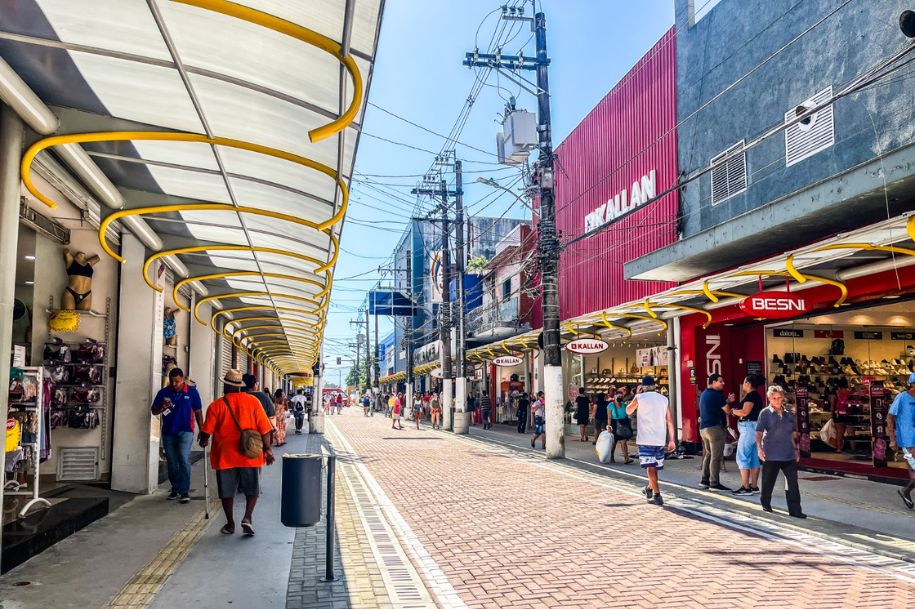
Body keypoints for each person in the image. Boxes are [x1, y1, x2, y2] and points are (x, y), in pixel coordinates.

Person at [198, 369, 275, 535]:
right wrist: (268, 449)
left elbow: (206, 432)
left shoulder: (216, 406)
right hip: (249, 454)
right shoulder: (253, 402)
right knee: (252, 488)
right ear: (240, 386)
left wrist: (203, 440)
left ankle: (230, 524)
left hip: (225, 456)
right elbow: (265, 429)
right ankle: (247, 517)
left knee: (227, 491)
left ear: (225, 385)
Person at [151, 368, 203, 503]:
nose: (174, 384)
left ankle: (184, 491)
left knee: (184, 458)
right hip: (168, 432)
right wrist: (162, 407)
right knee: (172, 462)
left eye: (177, 381)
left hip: (186, 431)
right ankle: (175, 488)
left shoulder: (192, 392)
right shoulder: (163, 392)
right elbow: (154, 411)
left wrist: (202, 430)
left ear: (183, 379)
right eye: (172, 381)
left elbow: (198, 411)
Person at [755, 385, 806, 519]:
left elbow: (791, 434)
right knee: (768, 482)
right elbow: (759, 433)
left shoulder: (789, 414)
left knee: (792, 483)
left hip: (788, 454)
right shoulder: (765, 413)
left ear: (783, 398)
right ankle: (766, 503)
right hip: (770, 453)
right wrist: (759, 449)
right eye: (774, 398)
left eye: (779, 398)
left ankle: (795, 510)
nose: (777, 400)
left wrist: (796, 449)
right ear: (769, 399)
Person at [626, 376, 675, 506]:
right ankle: (649, 488)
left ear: (643, 387)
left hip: (645, 439)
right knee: (654, 467)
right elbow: (669, 420)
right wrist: (672, 439)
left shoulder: (640, 398)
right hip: (659, 439)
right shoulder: (663, 399)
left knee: (650, 468)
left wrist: (636, 395)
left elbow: (628, 410)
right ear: (655, 386)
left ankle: (657, 495)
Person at [699, 373, 733, 491]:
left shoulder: (705, 393)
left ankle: (704, 480)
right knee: (716, 456)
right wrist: (730, 406)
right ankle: (714, 483)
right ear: (713, 382)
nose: (723, 383)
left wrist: (726, 400)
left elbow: (715, 406)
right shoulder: (717, 395)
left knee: (709, 454)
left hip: (703, 429)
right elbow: (727, 410)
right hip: (714, 429)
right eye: (720, 381)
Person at [731, 374, 764, 495]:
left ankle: (745, 487)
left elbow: (745, 412)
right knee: (754, 458)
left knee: (742, 457)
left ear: (749, 384)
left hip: (748, 428)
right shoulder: (757, 396)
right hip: (755, 428)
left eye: (744, 382)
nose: (743, 384)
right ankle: (754, 486)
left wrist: (733, 411)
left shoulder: (751, 396)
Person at [888, 373, 915, 509]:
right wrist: (892, 439)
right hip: (907, 440)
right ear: (912, 384)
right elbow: (890, 417)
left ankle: (906, 491)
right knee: (913, 468)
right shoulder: (902, 397)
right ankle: (906, 491)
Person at [609, 390, 633, 464]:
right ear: (614, 396)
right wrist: (609, 426)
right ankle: (611, 457)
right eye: (618, 396)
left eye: (621, 396)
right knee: (614, 443)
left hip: (623, 424)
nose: (619, 397)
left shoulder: (623, 405)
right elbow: (609, 417)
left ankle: (626, 459)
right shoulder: (611, 405)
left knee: (624, 442)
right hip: (614, 424)